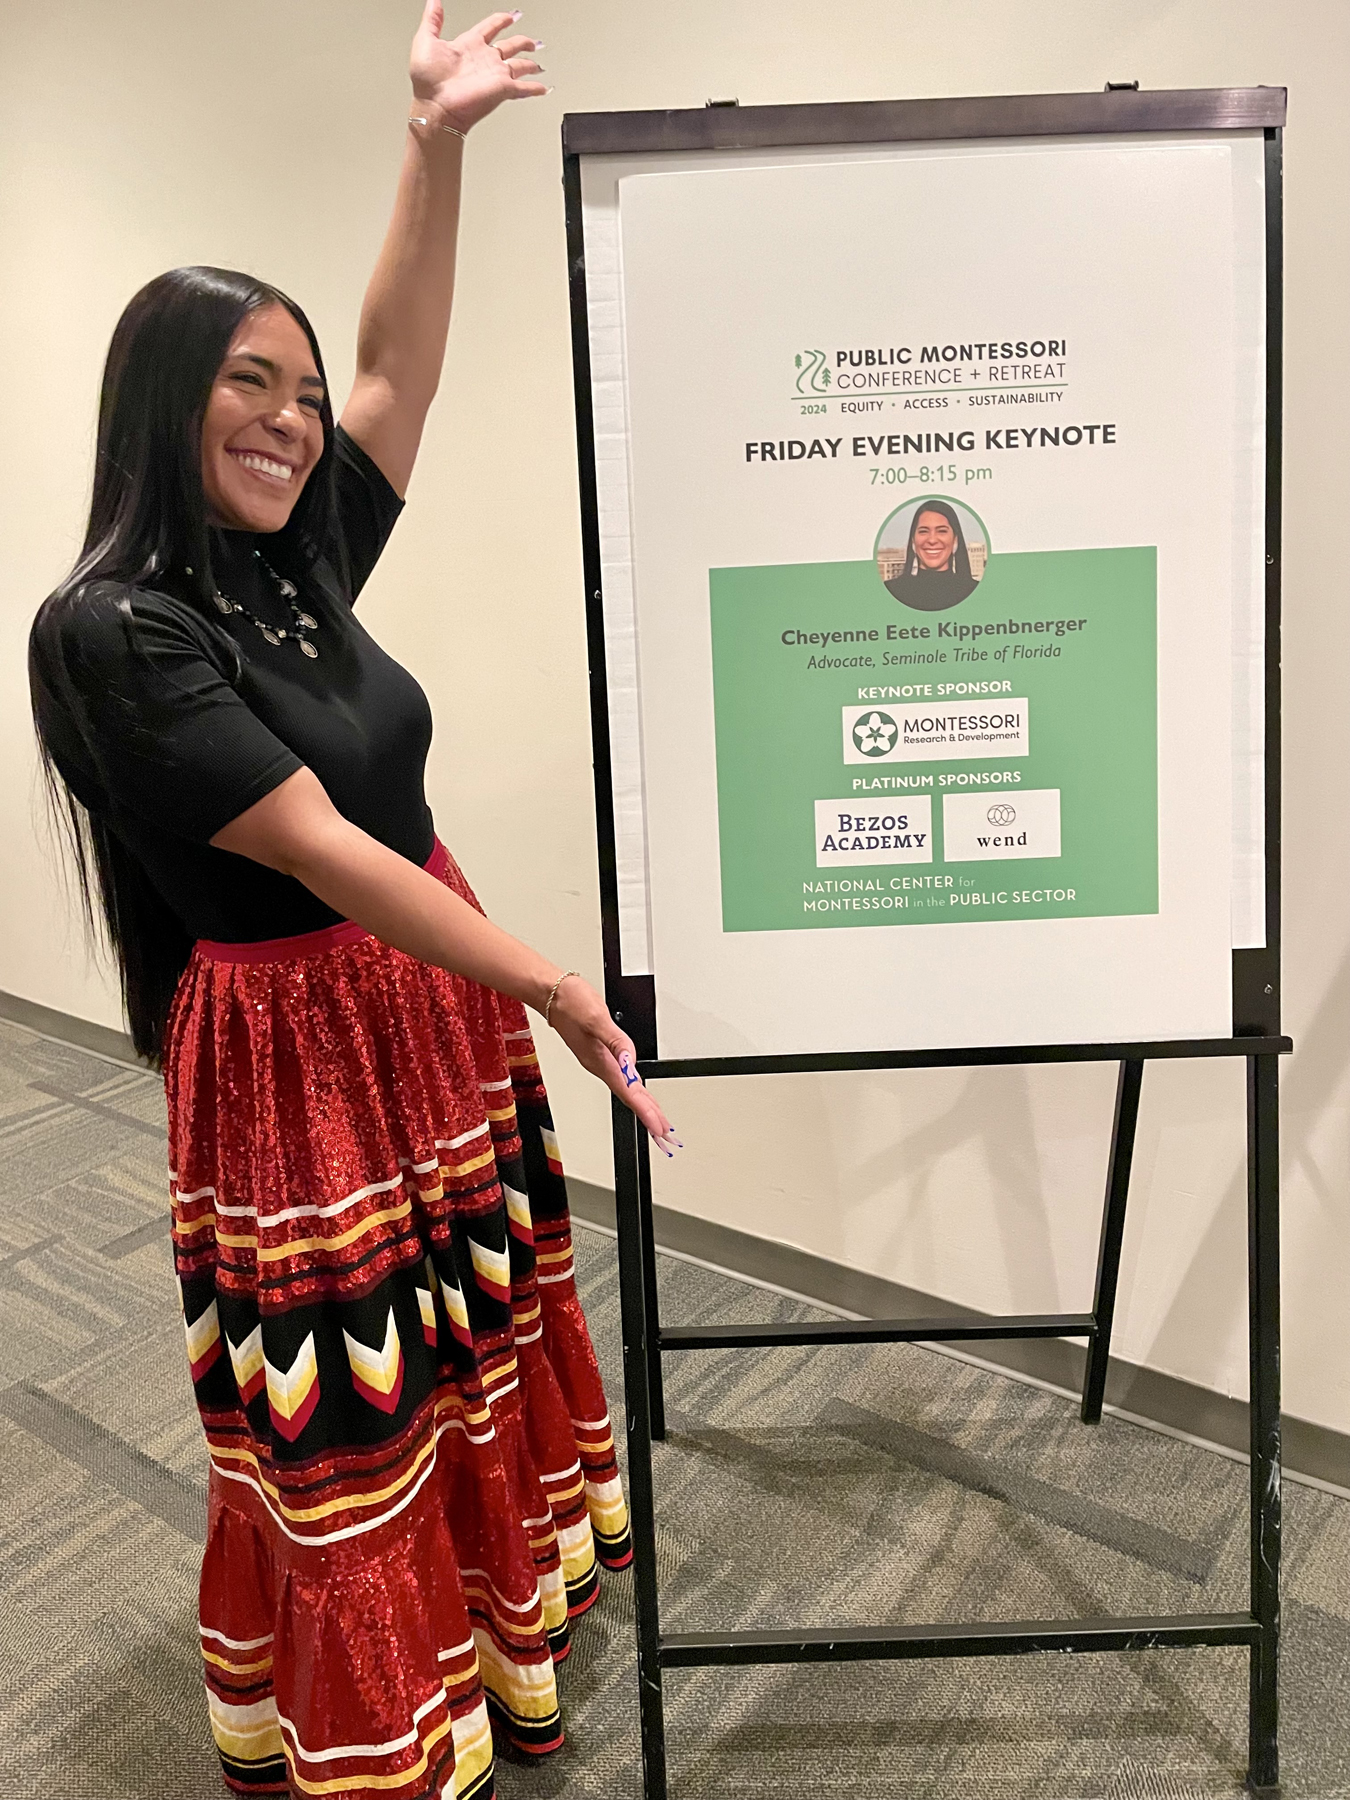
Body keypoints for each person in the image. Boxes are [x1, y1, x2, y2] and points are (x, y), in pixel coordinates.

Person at [27, 8, 679, 1797]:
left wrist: (432, 142)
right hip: (301, 1040)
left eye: (302, 394)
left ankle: (492, 1627)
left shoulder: (291, 560)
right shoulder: (113, 630)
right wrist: (553, 980)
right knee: (353, 1401)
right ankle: (383, 1729)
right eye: (252, 383)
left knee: (465, 1316)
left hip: (422, 989)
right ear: (162, 397)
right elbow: (317, 846)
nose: (296, 421)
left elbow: (402, 370)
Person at [882, 498, 980, 609]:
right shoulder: (890, 591)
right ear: (913, 541)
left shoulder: (976, 592)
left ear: (955, 540)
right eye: (923, 531)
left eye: (942, 531)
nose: (932, 540)